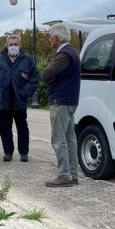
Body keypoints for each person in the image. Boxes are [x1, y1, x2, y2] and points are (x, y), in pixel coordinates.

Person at [0, 34, 39, 162]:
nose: (13, 47)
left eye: (16, 44)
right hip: (3, 100)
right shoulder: (0, 60)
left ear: (20, 45)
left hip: (19, 100)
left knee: (22, 127)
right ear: (7, 45)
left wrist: (25, 93)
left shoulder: (27, 60)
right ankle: (8, 152)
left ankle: (24, 153)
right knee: (5, 128)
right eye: (11, 44)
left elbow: (34, 79)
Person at [41, 23, 81, 187]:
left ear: (56, 38)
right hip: (71, 100)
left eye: (50, 36)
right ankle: (72, 174)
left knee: (58, 139)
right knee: (70, 138)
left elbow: (46, 74)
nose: (50, 39)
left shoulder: (63, 54)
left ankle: (64, 175)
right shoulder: (73, 52)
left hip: (60, 100)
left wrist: (51, 78)